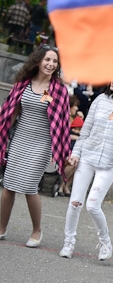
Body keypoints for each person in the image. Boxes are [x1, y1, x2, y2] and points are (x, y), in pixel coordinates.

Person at [60, 80, 113, 260]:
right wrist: (76, 153)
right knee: (75, 203)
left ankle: (105, 242)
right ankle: (68, 242)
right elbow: (86, 130)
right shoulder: (99, 100)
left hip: (110, 161)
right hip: (88, 156)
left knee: (93, 205)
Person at [0, 45, 71, 246]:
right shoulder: (23, 83)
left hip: (42, 143)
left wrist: (60, 150)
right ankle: (1, 228)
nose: (51, 64)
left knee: (30, 187)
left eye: (55, 61)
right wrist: (3, 136)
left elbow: (62, 123)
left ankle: (37, 231)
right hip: (20, 139)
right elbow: (12, 112)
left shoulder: (59, 90)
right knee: (9, 186)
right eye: (47, 60)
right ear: (38, 61)